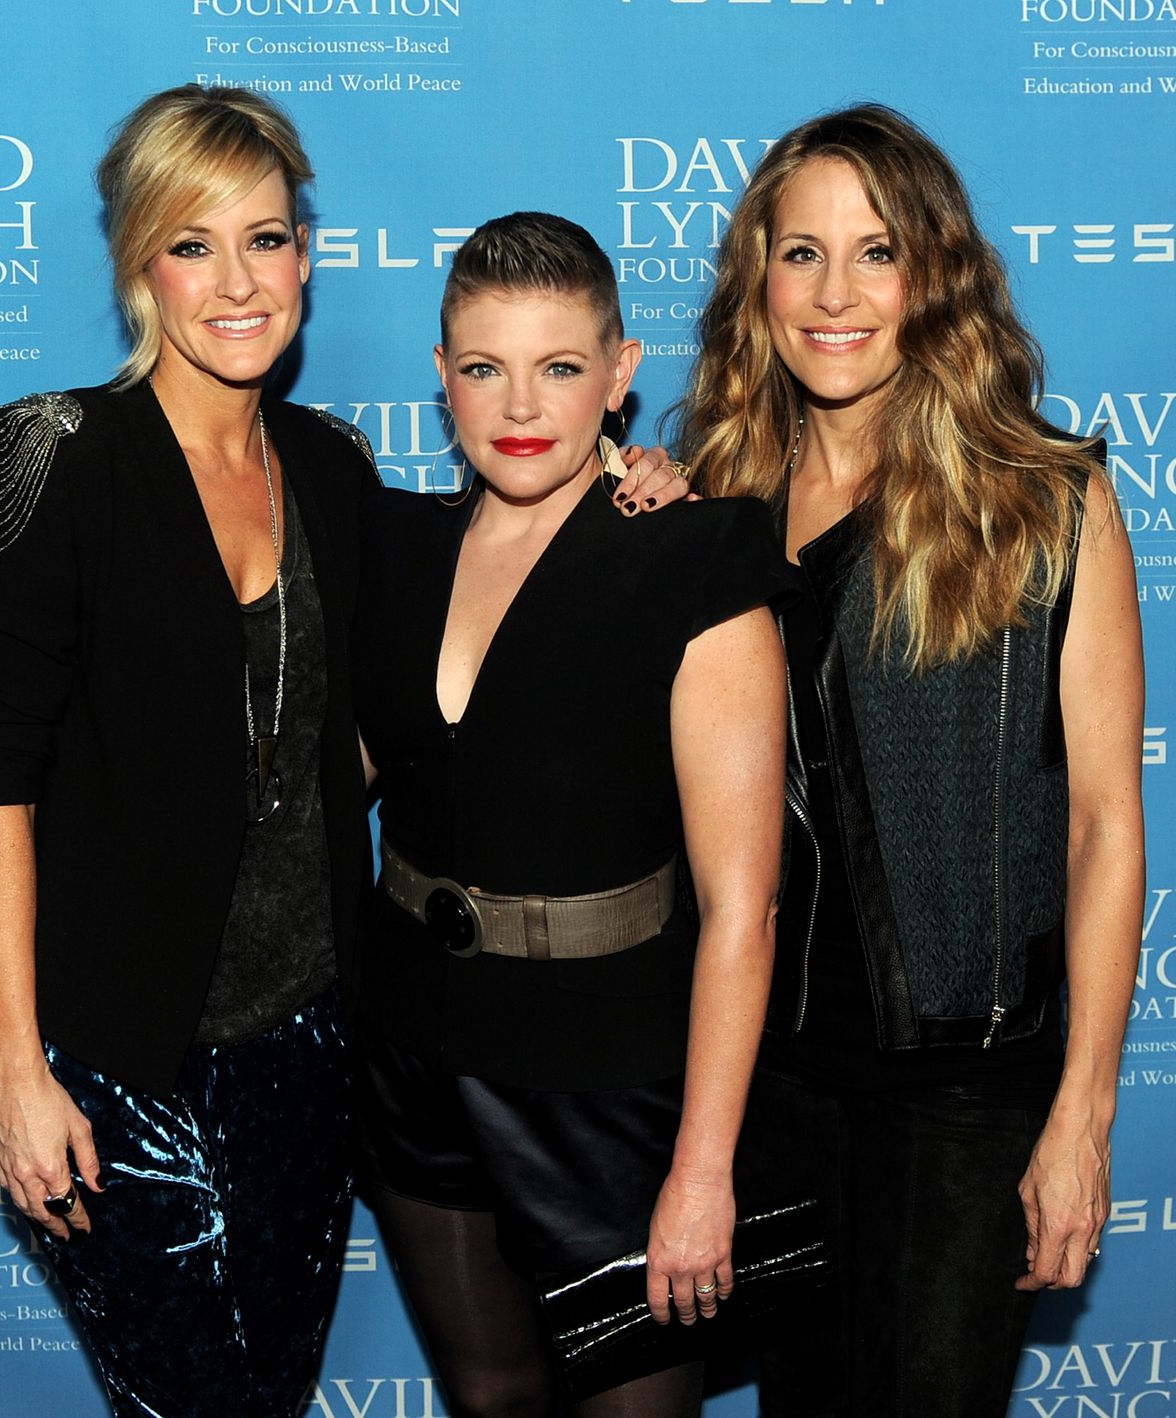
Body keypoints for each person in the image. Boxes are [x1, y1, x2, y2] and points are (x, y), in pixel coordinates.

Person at [0, 88, 686, 1417]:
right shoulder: (56, 456)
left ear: (307, 257)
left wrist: (631, 481)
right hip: (117, 1059)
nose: (237, 281)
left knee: (274, 1391)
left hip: (314, 1044)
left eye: (267, 239)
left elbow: (490, 565)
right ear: (139, 266)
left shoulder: (330, 468)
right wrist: (18, 1072)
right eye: (193, 242)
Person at [672, 105, 1146, 1416]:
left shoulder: (1047, 497)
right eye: (802, 253)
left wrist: (1082, 1121)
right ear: (755, 278)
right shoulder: (710, 505)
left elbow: (1106, 825)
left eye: (875, 253)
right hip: (773, 1082)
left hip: (967, 1092)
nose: (836, 295)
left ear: (932, 275)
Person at [350, 212, 794, 1418]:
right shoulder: (394, 548)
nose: (520, 404)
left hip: (615, 1080)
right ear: (441, 377)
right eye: (485, 367)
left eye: (559, 366)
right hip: (418, 1046)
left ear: (621, 371)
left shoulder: (692, 555)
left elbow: (742, 909)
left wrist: (705, 1169)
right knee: (491, 1399)